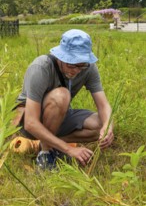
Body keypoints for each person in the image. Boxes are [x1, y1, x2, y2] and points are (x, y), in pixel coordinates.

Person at [17, 29, 114, 170]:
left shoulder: (88, 68)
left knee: (100, 124)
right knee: (62, 96)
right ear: (60, 57)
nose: (76, 70)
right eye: (71, 64)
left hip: (58, 116)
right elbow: (30, 123)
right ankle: (45, 153)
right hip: (29, 120)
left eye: (81, 65)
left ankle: (51, 145)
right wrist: (70, 150)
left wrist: (108, 126)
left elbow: (104, 105)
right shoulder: (41, 67)